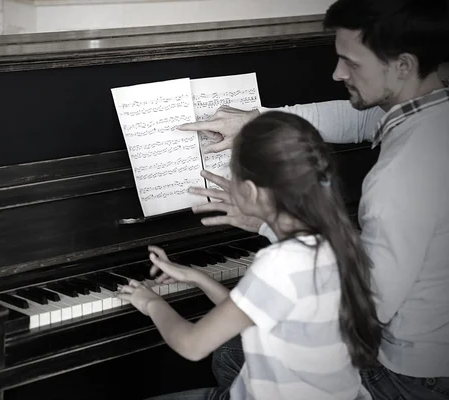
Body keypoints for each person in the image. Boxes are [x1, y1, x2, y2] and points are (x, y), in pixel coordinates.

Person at [176, 0, 449, 399]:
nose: (337, 73)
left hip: (407, 376)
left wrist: (276, 228)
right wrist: (257, 120)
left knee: (232, 354)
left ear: (403, 66)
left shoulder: (398, 179)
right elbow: (359, 119)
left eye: (351, 63)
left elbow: (364, 311)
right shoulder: (429, 110)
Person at [117, 111, 382, 400]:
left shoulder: (280, 263)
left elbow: (192, 346)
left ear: (252, 191)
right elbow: (256, 312)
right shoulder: (332, 242)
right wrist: (199, 278)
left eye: (233, 174)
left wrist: (150, 302)